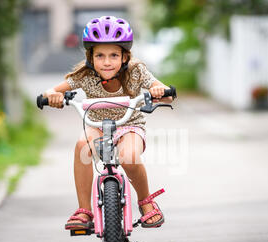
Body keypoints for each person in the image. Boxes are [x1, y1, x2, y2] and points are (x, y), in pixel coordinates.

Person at [42, 16, 175, 230]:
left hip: (129, 125)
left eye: (114, 55)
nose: (106, 61)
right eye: (100, 55)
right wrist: (52, 96)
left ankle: (145, 201)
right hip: (96, 126)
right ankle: (84, 210)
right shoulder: (84, 75)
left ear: (124, 56)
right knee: (82, 147)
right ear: (90, 57)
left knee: (128, 156)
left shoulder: (136, 71)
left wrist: (158, 92)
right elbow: (51, 91)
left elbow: (167, 95)